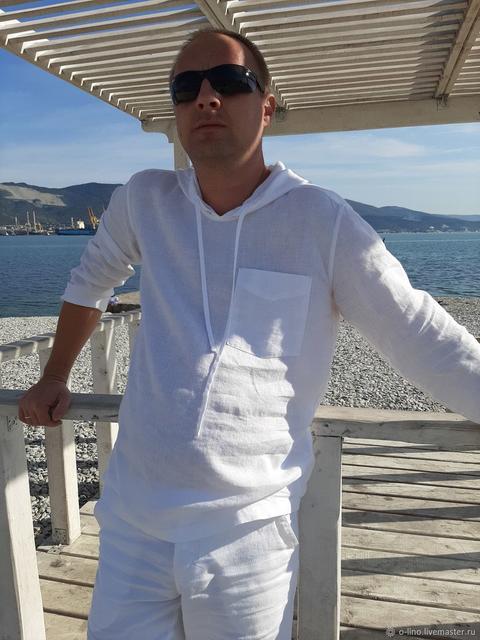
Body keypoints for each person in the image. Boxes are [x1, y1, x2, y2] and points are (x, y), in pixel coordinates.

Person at [19, 27, 480, 640]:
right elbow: (91, 280)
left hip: (247, 531)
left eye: (230, 82)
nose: (206, 98)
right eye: (187, 87)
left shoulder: (321, 220)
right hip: (133, 520)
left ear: (266, 106)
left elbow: (414, 327)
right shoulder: (145, 200)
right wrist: (55, 376)